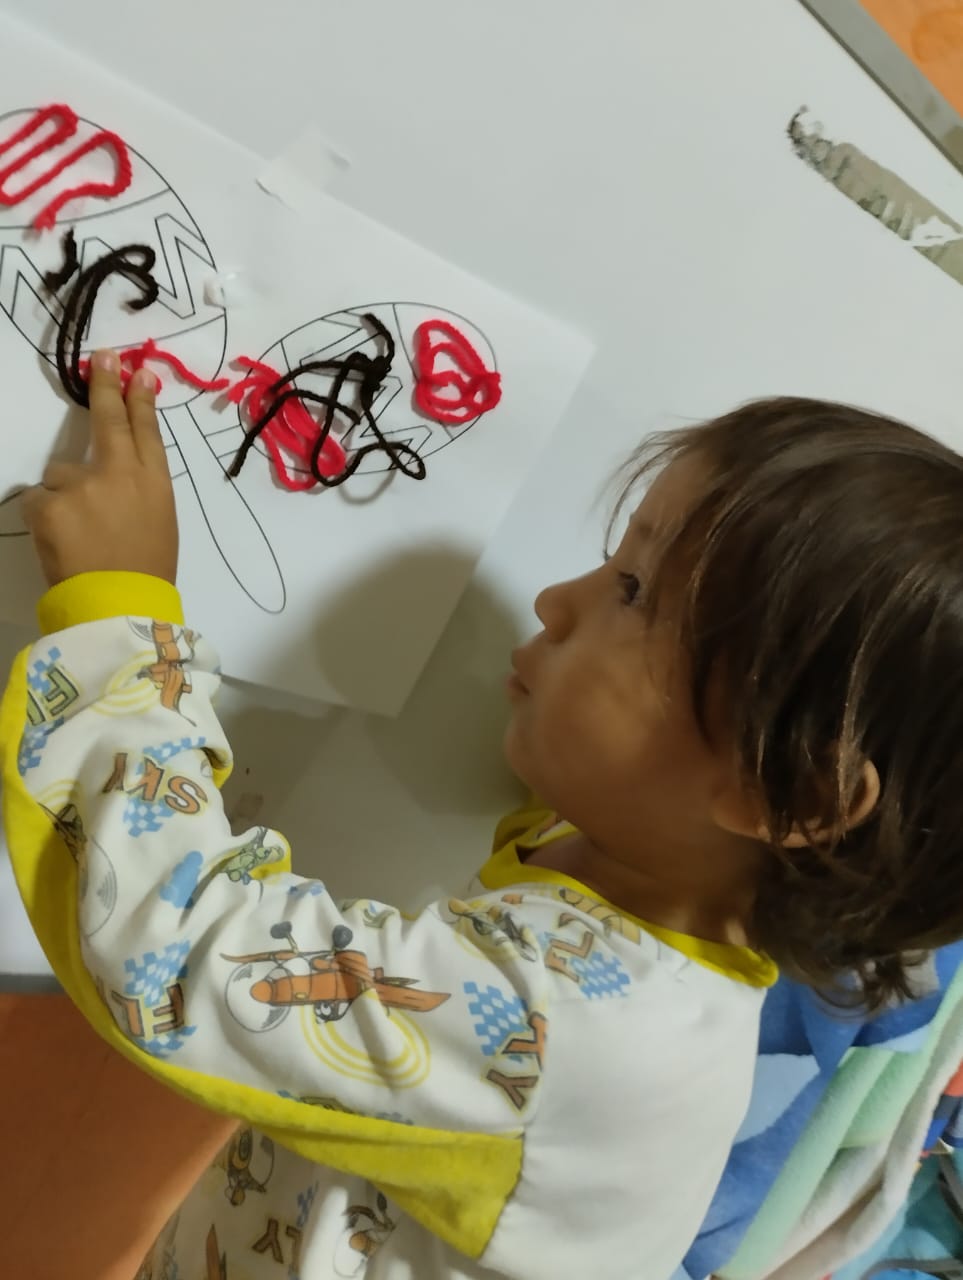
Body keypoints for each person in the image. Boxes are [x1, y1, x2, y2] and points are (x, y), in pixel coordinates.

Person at [6, 352, 963, 1280]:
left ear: (784, 794)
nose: (553, 601)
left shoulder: (582, 1028)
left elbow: (177, 959)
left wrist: (116, 616)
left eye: (633, 594)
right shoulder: (644, 875)